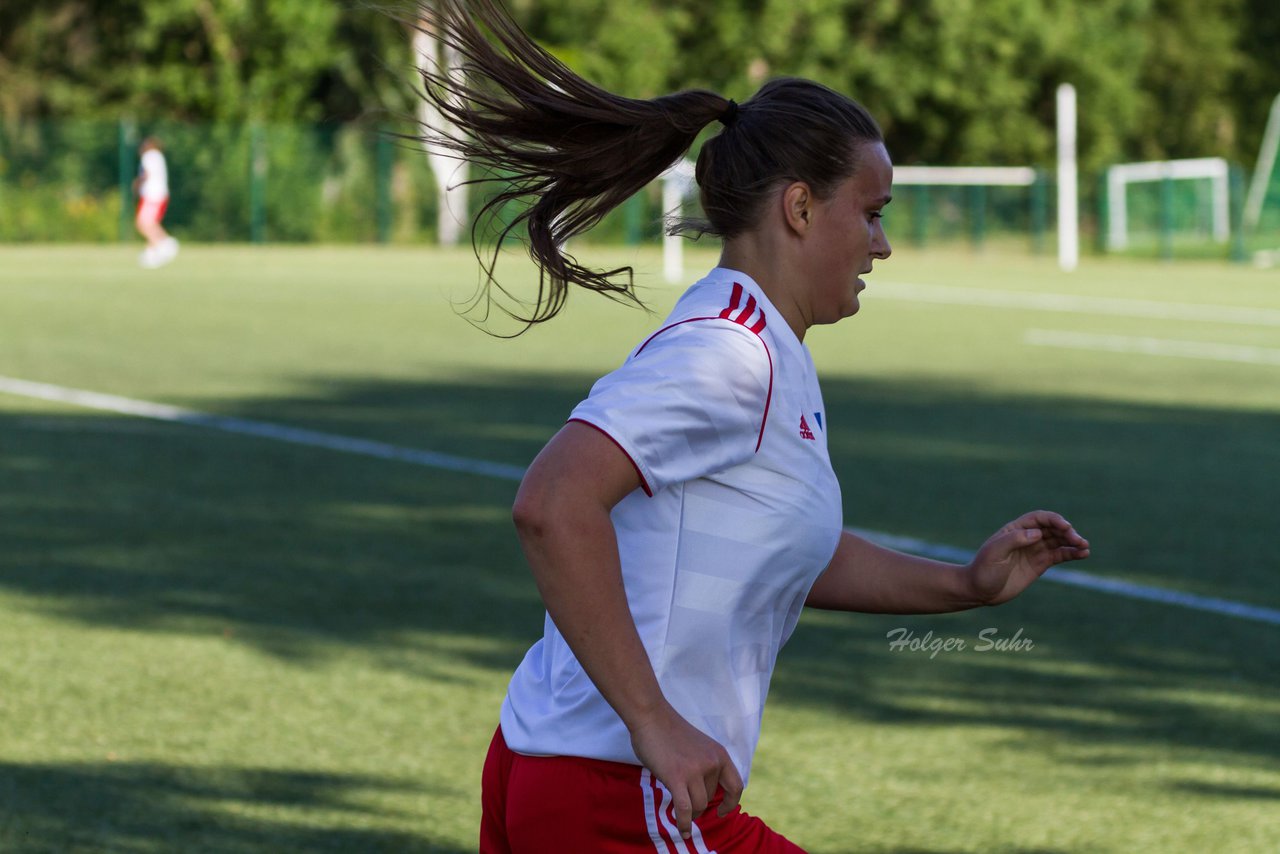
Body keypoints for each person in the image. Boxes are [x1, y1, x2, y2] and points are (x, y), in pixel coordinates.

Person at [410, 2, 1092, 851]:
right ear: (801, 208)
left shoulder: (767, 347)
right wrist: (656, 722)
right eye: (872, 213)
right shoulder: (734, 355)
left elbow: (787, 549)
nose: (881, 246)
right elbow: (552, 501)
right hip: (618, 793)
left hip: (567, 774)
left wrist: (965, 585)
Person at [132, 136, 179, 268]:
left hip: (152, 194)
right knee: (148, 223)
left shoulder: (149, 156)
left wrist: (137, 184)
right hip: (158, 194)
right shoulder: (158, 156)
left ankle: (165, 243)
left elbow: (145, 174)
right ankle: (152, 251)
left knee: (144, 223)